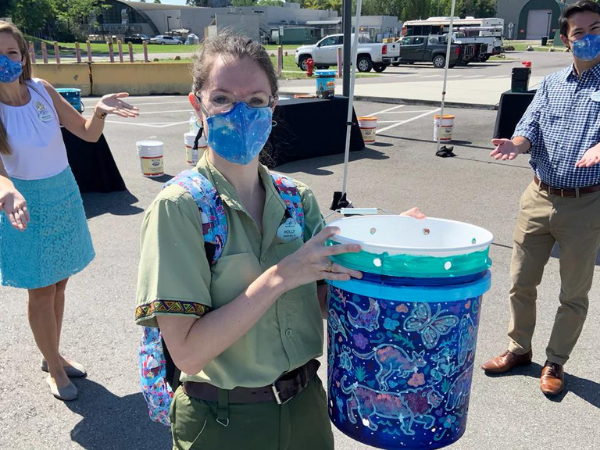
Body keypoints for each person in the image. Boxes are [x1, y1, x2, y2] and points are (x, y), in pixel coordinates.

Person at [135, 33, 424, 449]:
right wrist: (282, 276)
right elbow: (187, 354)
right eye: (221, 98)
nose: (239, 112)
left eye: (255, 101)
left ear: (272, 109)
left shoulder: (296, 198)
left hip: (305, 407)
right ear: (197, 105)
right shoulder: (181, 208)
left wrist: (394, 246)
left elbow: (327, 301)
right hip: (224, 421)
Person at [0, 22, 138, 401]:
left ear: (23, 56)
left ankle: (52, 353)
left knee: (59, 282)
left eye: (11, 52)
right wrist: (9, 191)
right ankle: (55, 368)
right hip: (22, 204)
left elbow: (88, 133)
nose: (5, 60)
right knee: (41, 291)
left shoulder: (41, 90)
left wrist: (100, 112)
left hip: (62, 194)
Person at [482, 0, 600, 396]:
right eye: (579, 33)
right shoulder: (550, 85)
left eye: (596, 29)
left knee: (574, 293)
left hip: (586, 204)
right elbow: (528, 127)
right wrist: (516, 145)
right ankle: (518, 349)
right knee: (520, 282)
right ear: (566, 41)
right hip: (538, 196)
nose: (588, 38)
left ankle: (555, 362)